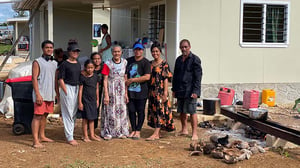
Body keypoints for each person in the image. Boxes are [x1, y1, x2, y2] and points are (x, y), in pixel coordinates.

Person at [172, 39, 202, 141]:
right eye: (182, 47)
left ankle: (194, 133)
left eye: (186, 47)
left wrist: (196, 92)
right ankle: (184, 129)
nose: (184, 49)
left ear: (189, 47)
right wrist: (174, 89)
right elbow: (175, 76)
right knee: (181, 111)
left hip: (190, 90)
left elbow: (198, 77)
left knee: (192, 111)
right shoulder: (178, 60)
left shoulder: (195, 59)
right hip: (180, 89)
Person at [146, 42, 175, 141]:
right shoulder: (150, 64)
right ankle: (158, 131)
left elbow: (166, 78)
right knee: (154, 111)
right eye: (153, 51)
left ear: (160, 52)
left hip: (161, 91)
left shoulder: (164, 64)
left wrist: (165, 93)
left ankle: (156, 133)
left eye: (157, 51)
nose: (155, 53)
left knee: (160, 110)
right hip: (152, 91)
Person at [31, 40, 57, 148]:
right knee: (37, 116)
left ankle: (42, 136)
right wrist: (37, 94)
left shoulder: (54, 63)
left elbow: (55, 79)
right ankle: (35, 140)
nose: (49, 49)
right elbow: (34, 78)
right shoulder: (37, 62)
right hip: (40, 94)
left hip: (50, 94)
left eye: (51, 48)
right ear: (43, 49)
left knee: (45, 115)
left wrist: (55, 93)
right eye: (47, 47)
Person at [101, 45, 129, 140]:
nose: (116, 53)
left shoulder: (125, 62)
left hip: (121, 91)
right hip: (111, 90)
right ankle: (108, 131)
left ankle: (120, 131)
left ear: (121, 52)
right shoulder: (107, 63)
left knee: (121, 111)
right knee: (110, 111)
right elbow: (105, 79)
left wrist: (126, 93)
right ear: (112, 52)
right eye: (114, 52)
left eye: (118, 51)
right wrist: (106, 95)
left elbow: (125, 78)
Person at [126, 43, 151, 140]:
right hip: (130, 91)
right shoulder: (129, 61)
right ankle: (133, 129)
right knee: (131, 111)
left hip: (141, 92)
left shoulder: (146, 62)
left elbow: (147, 77)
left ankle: (138, 130)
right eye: (136, 49)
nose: (138, 51)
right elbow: (125, 74)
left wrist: (133, 80)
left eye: (140, 50)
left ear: (142, 51)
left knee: (140, 111)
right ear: (133, 50)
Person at [58, 43, 81, 145]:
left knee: (74, 112)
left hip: (76, 87)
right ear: (69, 52)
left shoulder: (78, 63)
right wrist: (65, 91)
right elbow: (60, 79)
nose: (75, 53)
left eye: (77, 51)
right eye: (73, 51)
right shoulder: (64, 64)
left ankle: (70, 133)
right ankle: (69, 136)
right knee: (68, 112)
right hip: (67, 87)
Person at [78, 59, 101, 142]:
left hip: (93, 100)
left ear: (94, 68)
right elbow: (80, 90)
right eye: (88, 68)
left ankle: (92, 135)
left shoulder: (96, 77)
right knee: (85, 119)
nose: (90, 69)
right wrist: (80, 102)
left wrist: (97, 99)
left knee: (92, 118)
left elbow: (97, 89)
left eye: (91, 68)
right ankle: (85, 136)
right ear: (85, 68)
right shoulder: (83, 77)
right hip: (85, 100)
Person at [91, 52, 103, 129]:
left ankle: (94, 128)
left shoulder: (104, 68)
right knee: (90, 110)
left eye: (98, 59)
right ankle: (89, 128)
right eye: (95, 59)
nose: (97, 60)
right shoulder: (89, 68)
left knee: (97, 109)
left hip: (101, 92)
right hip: (90, 92)